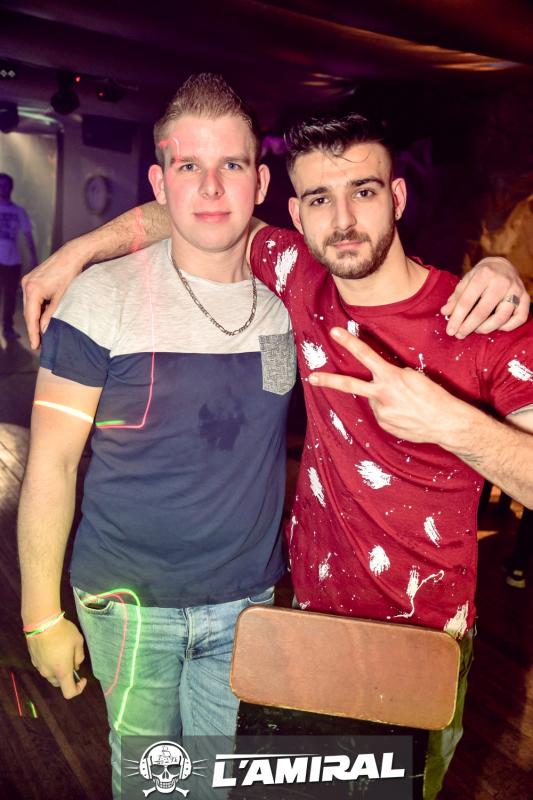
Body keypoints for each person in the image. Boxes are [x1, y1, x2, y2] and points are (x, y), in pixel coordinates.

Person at [20, 84, 530, 799]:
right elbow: (195, 207)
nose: (343, 220)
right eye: (320, 198)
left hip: (420, 639)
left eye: (363, 191)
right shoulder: (297, 277)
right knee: (212, 786)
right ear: (293, 212)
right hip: (298, 627)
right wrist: (72, 255)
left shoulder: (481, 322)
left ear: (398, 196)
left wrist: (450, 421)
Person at [18, 74, 294, 799]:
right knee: (154, 786)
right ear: (158, 181)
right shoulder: (98, 297)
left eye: (231, 164)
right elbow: (51, 463)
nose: (211, 186)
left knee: (219, 788)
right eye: (187, 165)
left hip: (247, 602)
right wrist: (40, 615)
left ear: (261, 181)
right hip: (127, 604)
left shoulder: (290, 303)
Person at [0, 172, 37, 339]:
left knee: (10, 298)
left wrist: (33, 257)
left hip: (12, 262)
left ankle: (7, 328)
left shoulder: (19, 211)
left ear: (11, 188)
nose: (2, 188)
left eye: (5, 185)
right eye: (0, 185)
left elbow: (28, 235)